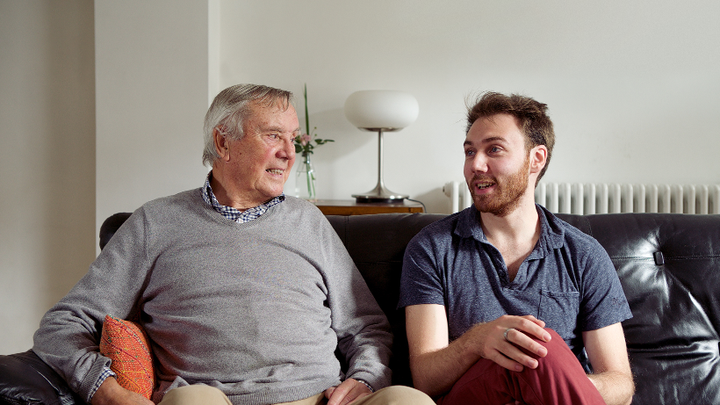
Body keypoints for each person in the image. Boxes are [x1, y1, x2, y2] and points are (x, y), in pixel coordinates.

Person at [33, 84, 433, 405]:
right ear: (223, 143)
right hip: (212, 397)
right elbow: (62, 324)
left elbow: (365, 326)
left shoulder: (308, 222)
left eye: (292, 138)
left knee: (406, 401)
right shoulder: (154, 223)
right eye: (274, 136)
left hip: (322, 397)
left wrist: (365, 378)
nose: (289, 153)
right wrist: (107, 390)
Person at [398, 92, 635, 405]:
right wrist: (478, 341)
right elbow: (425, 380)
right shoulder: (431, 248)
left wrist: (548, 380)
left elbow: (621, 386)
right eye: (470, 152)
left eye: (493, 149)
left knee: (539, 355)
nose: (475, 165)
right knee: (536, 350)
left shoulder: (583, 254)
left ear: (536, 158)